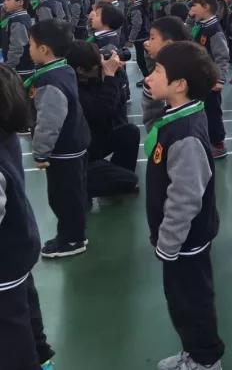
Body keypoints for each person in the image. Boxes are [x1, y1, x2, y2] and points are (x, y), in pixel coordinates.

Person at [144, 41, 224, 370]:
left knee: (191, 302)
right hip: (180, 238)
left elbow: (186, 198)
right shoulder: (178, 116)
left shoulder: (186, 135)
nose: (148, 77)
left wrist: (168, 242)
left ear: (179, 85)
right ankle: (194, 352)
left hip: (186, 240)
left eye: (157, 72)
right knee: (181, 300)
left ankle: (205, 361)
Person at [0, 65, 56, 370]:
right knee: (26, 305)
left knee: (10, 330)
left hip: (5, 259)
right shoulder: (6, 134)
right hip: (19, 244)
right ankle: (42, 356)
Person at [27, 20, 91, 258]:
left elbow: (49, 121)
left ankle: (73, 240)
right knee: (73, 195)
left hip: (63, 151)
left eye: (31, 44)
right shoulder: (64, 69)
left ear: (44, 49)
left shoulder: (50, 82)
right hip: (76, 142)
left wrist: (40, 152)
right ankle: (71, 233)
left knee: (63, 198)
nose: (28, 48)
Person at [66, 41, 140, 199]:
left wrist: (117, 74)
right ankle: (80, 187)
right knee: (130, 180)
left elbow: (118, 112)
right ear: (80, 70)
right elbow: (102, 111)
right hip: (80, 154)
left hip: (95, 140)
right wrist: (110, 77)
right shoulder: (70, 87)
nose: (101, 67)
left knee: (130, 132)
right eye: (97, 66)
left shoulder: (89, 76)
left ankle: (117, 179)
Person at [188, 0, 230, 159]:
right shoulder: (201, 25)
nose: (191, 9)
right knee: (201, 111)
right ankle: (205, 140)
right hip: (200, 78)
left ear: (206, 7)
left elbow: (222, 56)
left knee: (213, 113)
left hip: (211, 81)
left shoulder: (214, 30)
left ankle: (218, 144)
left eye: (194, 6)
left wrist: (219, 79)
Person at [141, 16, 192, 130]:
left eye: (152, 38)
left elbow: (153, 122)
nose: (146, 43)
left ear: (168, 45)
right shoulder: (166, 66)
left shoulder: (179, 74)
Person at [1, 0, 34, 81]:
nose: (4, 3)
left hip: (19, 70)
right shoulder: (22, 16)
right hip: (20, 68)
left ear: (20, 2)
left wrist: (8, 67)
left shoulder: (17, 21)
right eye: (4, 0)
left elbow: (17, 48)